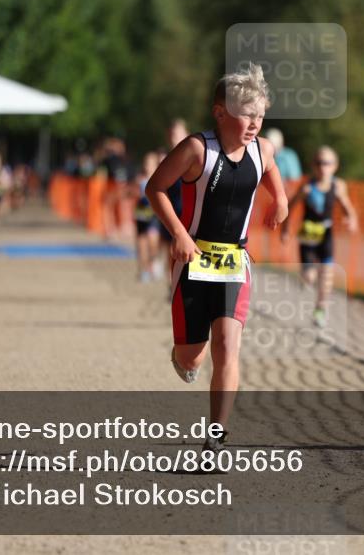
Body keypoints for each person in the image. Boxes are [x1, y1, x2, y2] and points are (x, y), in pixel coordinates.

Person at [146, 64, 287, 453]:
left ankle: (216, 439)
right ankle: (183, 357)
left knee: (228, 346)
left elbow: (271, 169)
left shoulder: (264, 149)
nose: (255, 122)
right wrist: (178, 234)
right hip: (192, 260)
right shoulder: (196, 149)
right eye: (246, 113)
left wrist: (282, 199)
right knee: (194, 357)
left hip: (234, 264)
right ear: (221, 112)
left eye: (260, 114)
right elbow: (155, 187)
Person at [281, 146, 358, 328]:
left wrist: (351, 220)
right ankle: (306, 278)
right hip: (307, 235)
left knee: (327, 275)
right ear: (313, 166)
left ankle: (320, 309)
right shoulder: (307, 187)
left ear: (335, 166)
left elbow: (348, 207)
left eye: (327, 163)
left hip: (326, 234)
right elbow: (290, 207)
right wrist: (285, 230)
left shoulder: (338, 186)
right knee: (310, 277)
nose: (323, 167)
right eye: (319, 163)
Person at [157, 119, 189, 282]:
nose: (172, 137)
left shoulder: (194, 157)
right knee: (170, 250)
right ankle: (172, 284)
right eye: (171, 134)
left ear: (186, 134)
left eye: (176, 134)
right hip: (172, 211)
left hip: (189, 213)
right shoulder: (165, 159)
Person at [133, 152, 162, 282]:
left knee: (153, 243)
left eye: (150, 163)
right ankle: (144, 270)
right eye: (146, 163)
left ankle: (153, 263)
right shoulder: (140, 178)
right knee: (141, 244)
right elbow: (132, 193)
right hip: (141, 214)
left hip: (154, 215)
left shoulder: (159, 178)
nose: (147, 166)